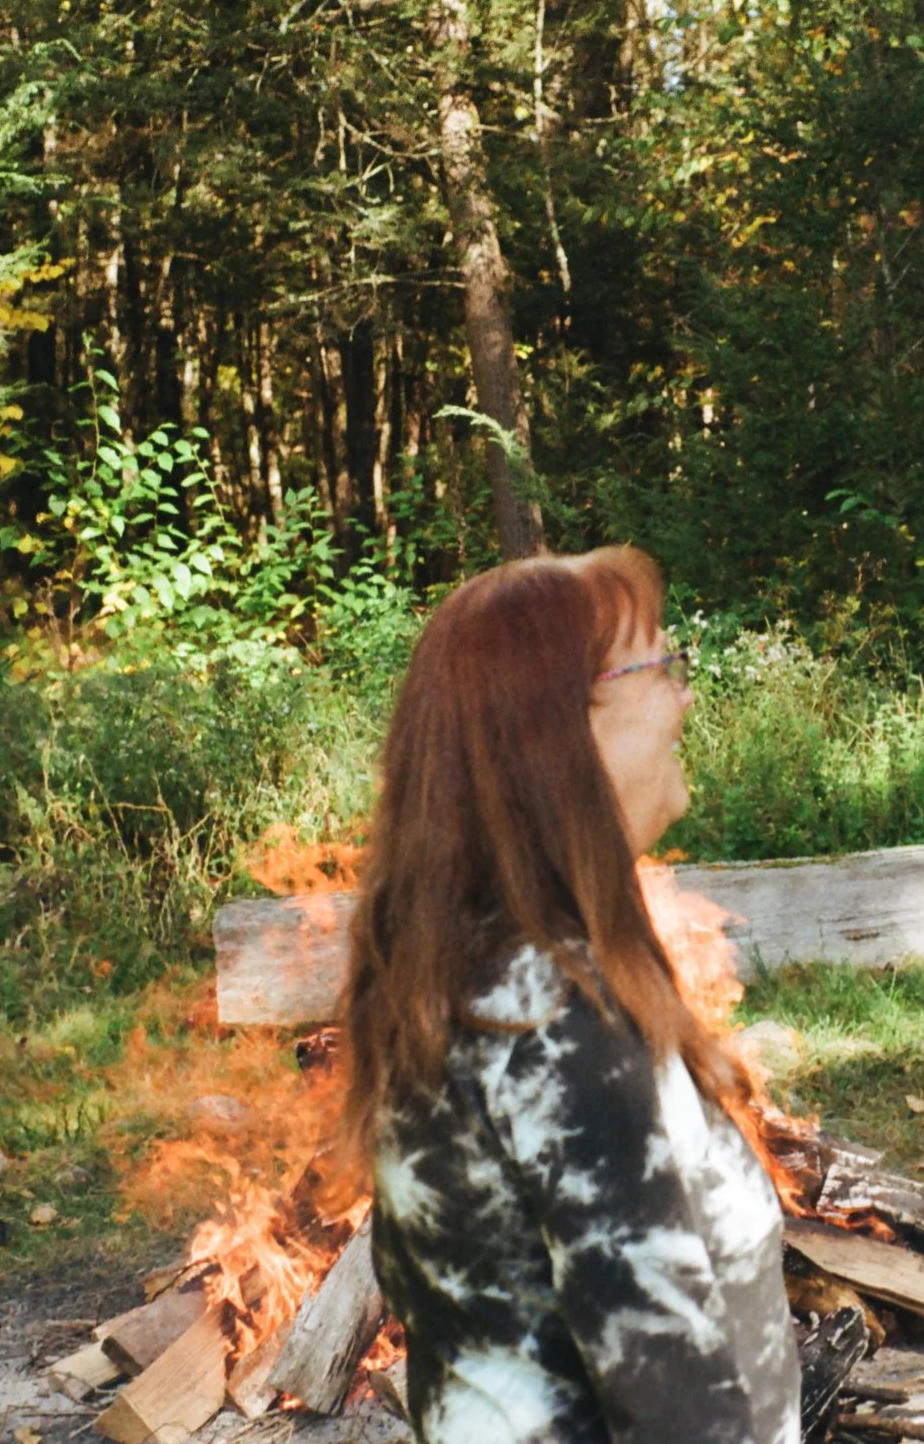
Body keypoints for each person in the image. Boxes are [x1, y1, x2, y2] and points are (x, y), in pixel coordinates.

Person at [340, 547, 798, 1444]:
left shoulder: (461, 977)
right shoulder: (558, 1023)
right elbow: (674, 1398)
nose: (686, 696)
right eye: (661, 665)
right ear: (561, 733)